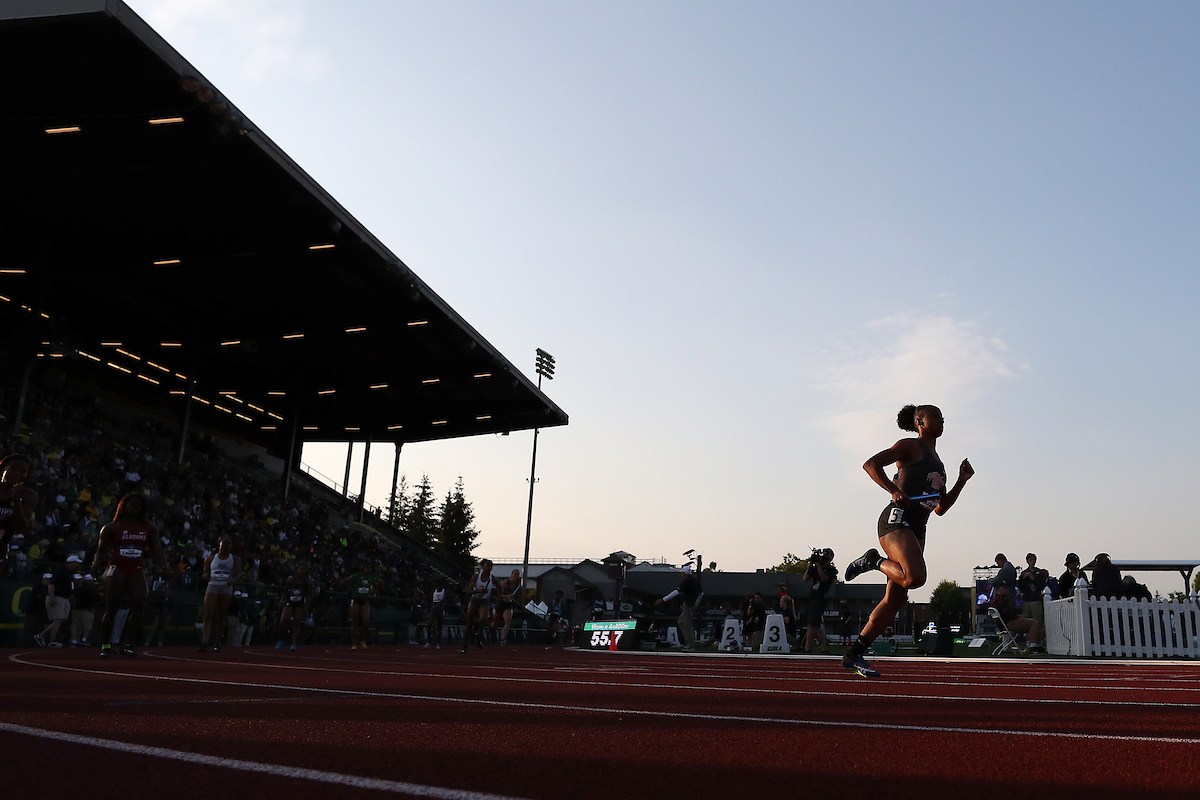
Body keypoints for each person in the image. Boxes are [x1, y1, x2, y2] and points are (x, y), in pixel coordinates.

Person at [843, 404, 974, 678]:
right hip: (896, 521)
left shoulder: (939, 464)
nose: (941, 419)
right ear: (919, 422)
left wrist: (961, 481)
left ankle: (854, 653)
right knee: (915, 578)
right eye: (935, 415)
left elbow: (939, 508)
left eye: (942, 416)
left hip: (918, 529)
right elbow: (871, 464)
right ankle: (873, 560)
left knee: (894, 601)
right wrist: (892, 489)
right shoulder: (910, 446)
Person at [88, 493, 168, 658]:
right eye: (132, 504)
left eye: (139, 505)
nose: (136, 507)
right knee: (111, 607)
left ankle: (129, 644)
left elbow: (157, 550)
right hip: (116, 568)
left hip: (136, 568)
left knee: (140, 603)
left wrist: (165, 567)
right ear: (124, 506)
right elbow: (101, 550)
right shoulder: (112, 527)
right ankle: (105, 645)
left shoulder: (149, 528)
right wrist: (96, 564)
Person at [199, 536, 240, 652]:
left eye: (228, 543)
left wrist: (233, 580)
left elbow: (237, 573)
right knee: (208, 614)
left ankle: (217, 642)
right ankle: (205, 642)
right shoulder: (211, 558)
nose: (226, 545)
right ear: (219, 545)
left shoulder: (235, 559)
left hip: (226, 587)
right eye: (224, 543)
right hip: (213, 585)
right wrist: (205, 576)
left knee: (221, 616)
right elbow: (205, 572)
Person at [0, 454, 38, 577]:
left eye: (23, 471)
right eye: (13, 468)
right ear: (3, 469)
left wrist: (17, 501)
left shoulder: (29, 495)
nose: (17, 473)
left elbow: (20, 527)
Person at [655, 564, 703, 651]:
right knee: (681, 621)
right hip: (693, 604)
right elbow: (701, 594)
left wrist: (663, 599)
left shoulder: (686, 582)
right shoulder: (696, 581)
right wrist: (697, 603)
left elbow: (676, 592)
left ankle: (690, 644)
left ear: (684, 574)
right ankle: (689, 640)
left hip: (688, 604)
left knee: (687, 624)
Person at [338, 561, 378, 650]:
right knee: (354, 623)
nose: (369, 569)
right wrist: (351, 588)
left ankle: (362, 640)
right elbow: (343, 582)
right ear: (363, 568)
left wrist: (372, 592)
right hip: (356, 600)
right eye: (367, 567)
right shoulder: (356, 576)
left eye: (370, 568)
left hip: (365, 601)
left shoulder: (371, 578)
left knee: (366, 622)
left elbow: (377, 586)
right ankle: (354, 643)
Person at [803, 550, 837, 654]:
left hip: (820, 598)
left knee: (811, 624)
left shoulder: (831, 570)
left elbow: (824, 579)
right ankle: (824, 648)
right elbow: (805, 578)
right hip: (813, 597)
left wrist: (818, 566)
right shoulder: (815, 568)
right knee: (816, 626)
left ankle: (807, 647)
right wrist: (811, 565)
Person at [34, 559, 74, 647]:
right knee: (58, 619)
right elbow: (51, 585)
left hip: (64, 598)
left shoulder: (68, 573)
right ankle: (52, 640)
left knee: (62, 619)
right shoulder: (60, 572)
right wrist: (52, 597)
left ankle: (42, 635)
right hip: (57, 597)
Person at [277, 563, 315, 651]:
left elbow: (310, 595)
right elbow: (285, 592)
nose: (302, 571)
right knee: (282, 621)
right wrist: (282, 602)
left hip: (300, 603)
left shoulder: (308, 582)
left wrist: (307, 606)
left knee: (296, 622)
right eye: (301, 568)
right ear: (297, 570)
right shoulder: (291, 580)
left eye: (304, 569)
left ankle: (293, 643)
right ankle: (282, 639)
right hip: (290, 601)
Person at [460, 559, 495, 652]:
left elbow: (500, 588)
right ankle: (464, 643)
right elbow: (468, 591)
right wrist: (479, 591)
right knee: (469, 622)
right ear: (483, 566)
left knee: (484, 619)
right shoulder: (476, 577)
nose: (489, 568)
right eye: (487, 566)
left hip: (484, 601)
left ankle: (477, 630)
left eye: (491, 567)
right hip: (475, 600)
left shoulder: (493, 579)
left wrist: (497, 597)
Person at [1018, 553, 1047, 648]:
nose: (1032, 562)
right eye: (1030, 560)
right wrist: (1023, 578)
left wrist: (1033, 578)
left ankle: (1039, 641)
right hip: (1026, 600)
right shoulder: (1023, 573)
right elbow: (1020, 587)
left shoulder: (1039, 573)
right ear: (1027, 561)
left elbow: (1042, 586)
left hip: (1035, 599)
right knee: (1027, 622)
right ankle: (1029, 641)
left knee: (1037, 621)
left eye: (1033, 559)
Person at [493, 569, 524, 645]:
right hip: (501, 603)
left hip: (508, 604)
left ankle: (503, 639)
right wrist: (507, 596)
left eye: (518, 575)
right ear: (511, 575)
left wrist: (522, 603)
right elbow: (499, 595)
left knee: (507, 621)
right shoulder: (505, 583)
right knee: (495, 623)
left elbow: (521, 596)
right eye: (515, 574)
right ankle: (491, 631)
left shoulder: (518, 586)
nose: (516, 576)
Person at [425, 584, 446, 649]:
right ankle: (428, 641)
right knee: (429, 624)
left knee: (439, 626)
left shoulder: (444, 591)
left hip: (440, 606)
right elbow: (431, 599)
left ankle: (438, 643)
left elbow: (445, 600)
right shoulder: (434, 591)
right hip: (434, 606)